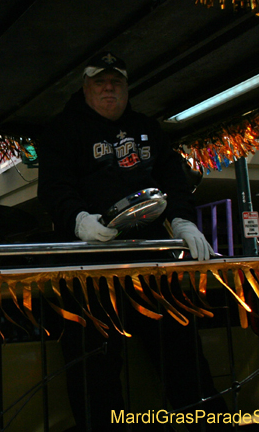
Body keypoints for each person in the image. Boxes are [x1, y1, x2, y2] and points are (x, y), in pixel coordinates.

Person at [38, 52, 227, 431]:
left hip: (152, 262)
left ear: (126, 88)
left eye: (117, 82)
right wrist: (79, 221)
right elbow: (54, 187)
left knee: (182, 354)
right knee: (94, 366)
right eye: (100, 82)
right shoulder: (62, 129)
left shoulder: (148, 128)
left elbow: (175, 179)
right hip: (90, 268)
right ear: (86, 86)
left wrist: (184, 222)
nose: (109, 89)